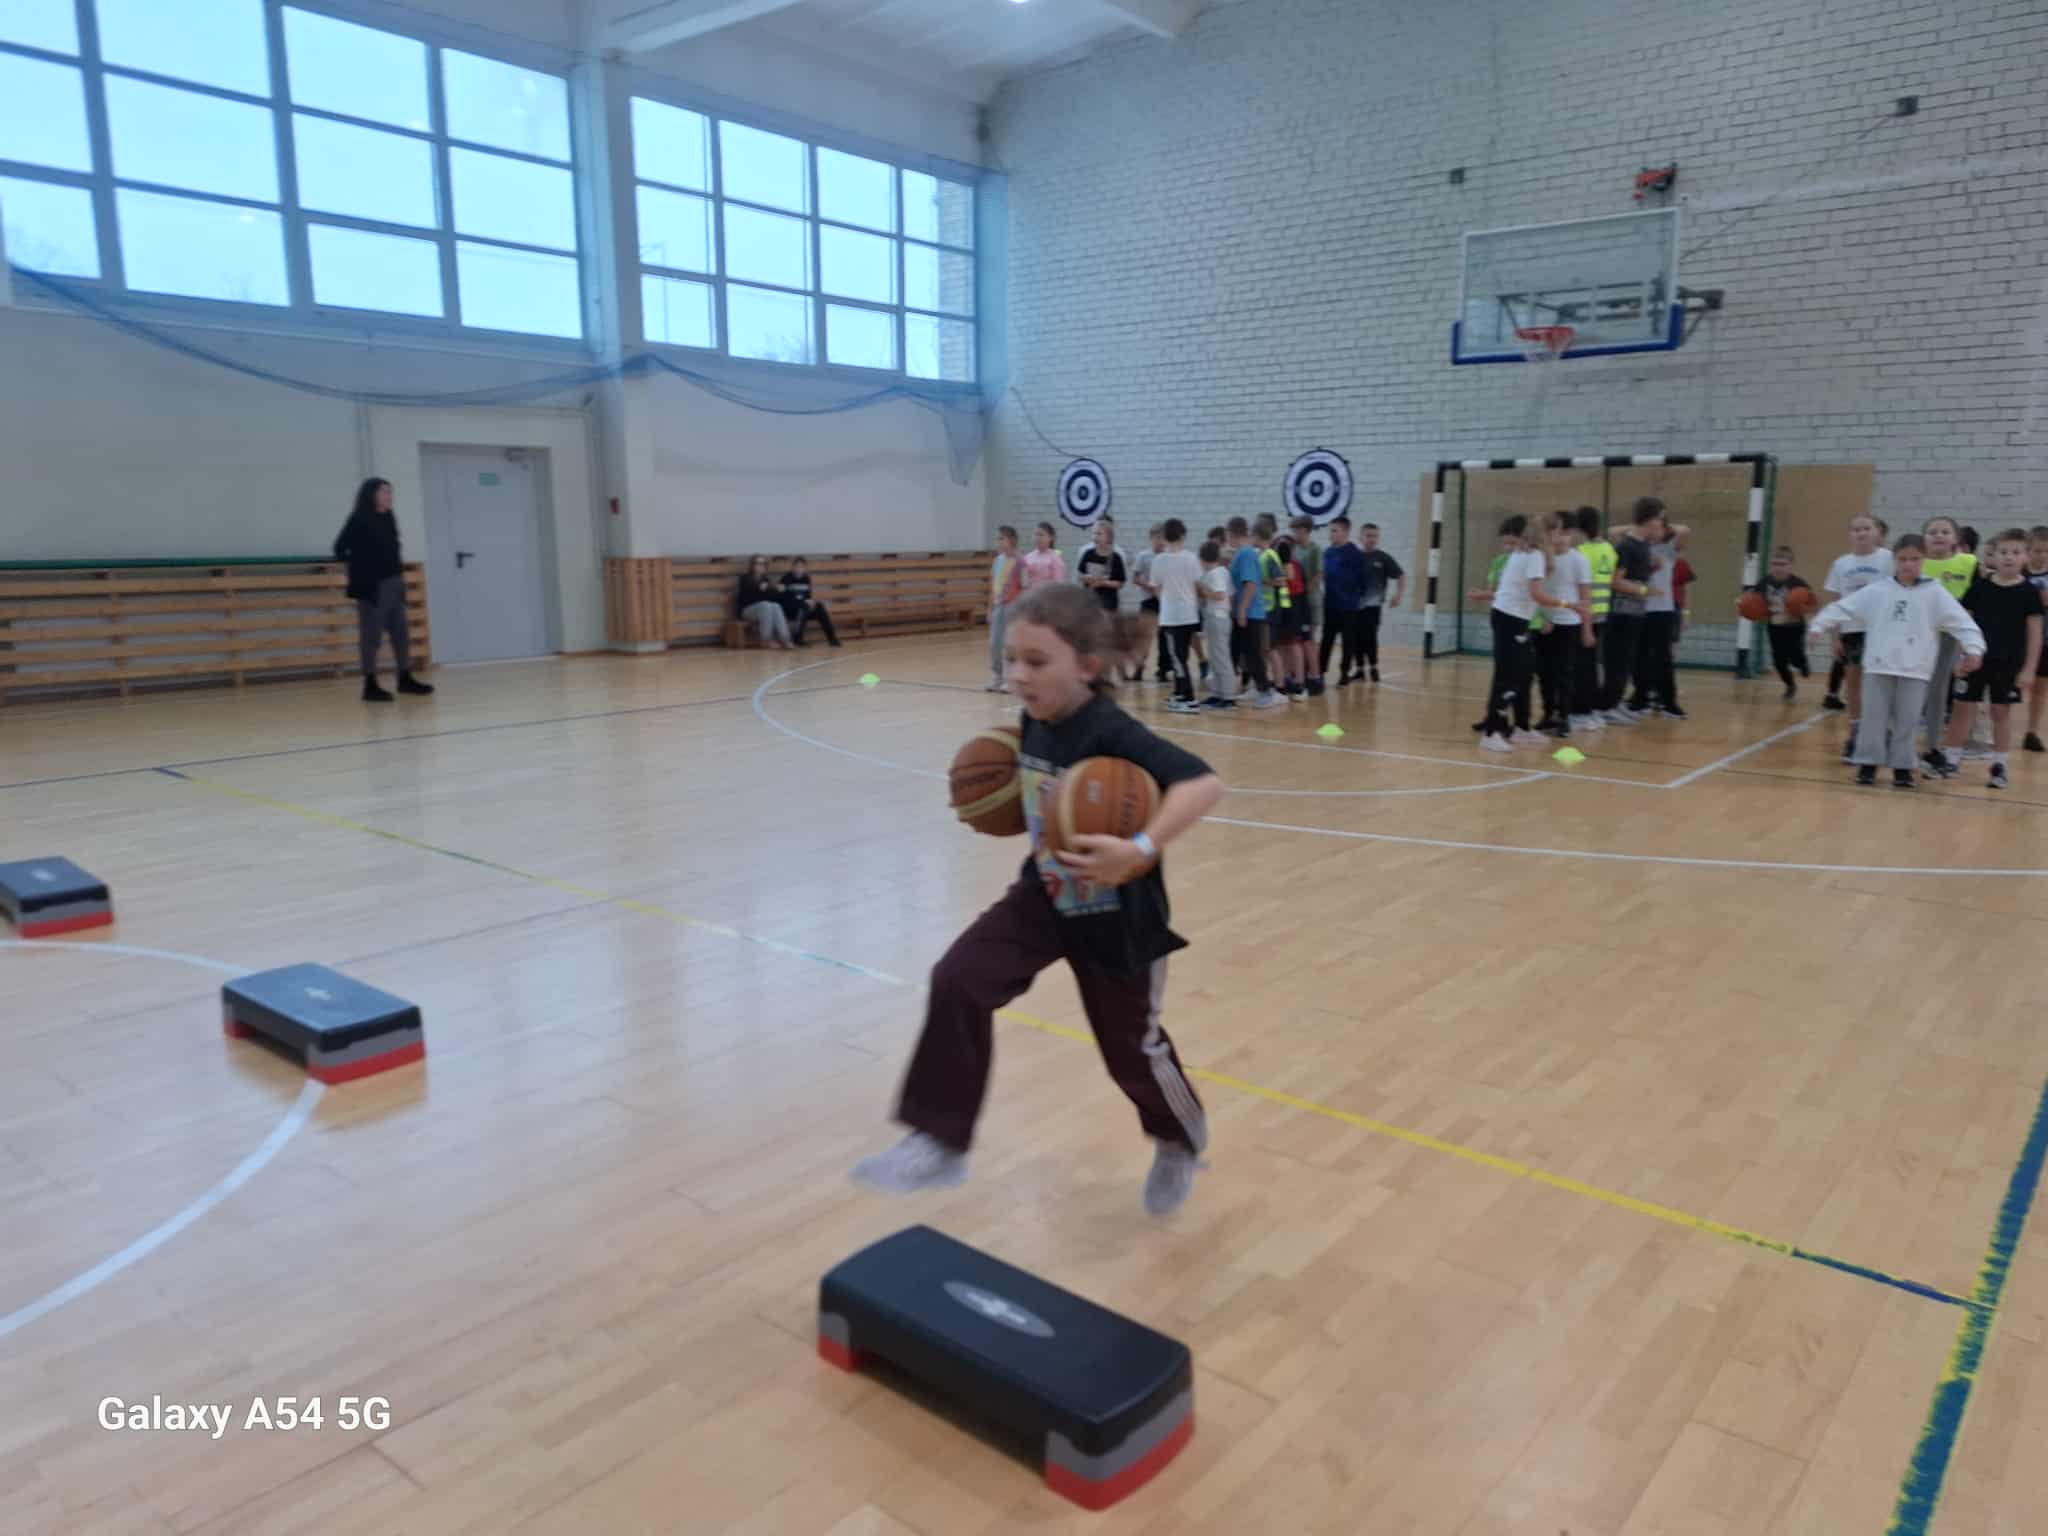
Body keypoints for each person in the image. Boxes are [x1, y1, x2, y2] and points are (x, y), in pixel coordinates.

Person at [851, 582, 1225, 1216]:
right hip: (1045, 896)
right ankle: (941, 1140)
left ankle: (1179, 1141)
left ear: (1087, 666)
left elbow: (1203, 784)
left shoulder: (1110, 728)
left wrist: (1138, 848)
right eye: (1011, 659)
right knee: (959, 979)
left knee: (1132, 1054)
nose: (1018, 674)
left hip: (1117, 917)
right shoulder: (1034, 719)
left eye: (1036, 661)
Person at [1809, 534, 1984, 788]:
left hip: (1916, 668)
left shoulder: (1935, 593)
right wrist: (1818, 625)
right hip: (1878, 665)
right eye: (1903, 559)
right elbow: (1843, 607)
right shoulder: (1878, 590)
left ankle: (1903, 767)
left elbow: (1963, 624)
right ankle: (1868, 764)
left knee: (1908, 720)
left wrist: (1974, 649)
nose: (1908, 564)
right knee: (1873, 718)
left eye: (1914, 559)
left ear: (1923, 560)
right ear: (1894, 560)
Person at [1933, 529, 2042, 789]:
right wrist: (1960, 657)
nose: (2008, 557)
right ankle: (1951, 760)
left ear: (2026, 557)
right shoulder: (1980, 587)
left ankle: (1999, 765)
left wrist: (2029, 668)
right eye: (2003, 552)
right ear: (1993, 556)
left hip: (2009, 664)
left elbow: (2035, 634)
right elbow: (1963, 624)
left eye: (2015, 552)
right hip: (1975, 659)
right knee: (1962, 709)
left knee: (2000, 712)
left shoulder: (2029, 592)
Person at [334, 476, 432, 703]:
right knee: (372, 637)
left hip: (394, 584)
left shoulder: (389, 517)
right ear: (372, 494)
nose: (389, 496)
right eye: (385, 491)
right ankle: (370, 685)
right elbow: (340, 548)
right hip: (373, 587)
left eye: (390, 492)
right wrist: (361, 569)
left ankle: (405, 679)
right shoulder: (359, 519)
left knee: (401, 634)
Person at [1820, 514, 1894, 759]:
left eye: (1866, 528)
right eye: (1856, 529)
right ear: (1850, 534)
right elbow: (1834, 601)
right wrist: (1835, 637)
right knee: (1854, 684)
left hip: (1881, 630)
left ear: (1878, 532)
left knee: (1881, 685)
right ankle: (1856, 733)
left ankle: (1882, 732)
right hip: (1852, 631)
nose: (1861, 533)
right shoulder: (1841, 564)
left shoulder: (1889, 559)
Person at [1479, 515, 1547, 750]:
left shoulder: (1526, 554)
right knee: (1507, 675)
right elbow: (1536, 594)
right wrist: (1570, 605)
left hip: (1515, 619)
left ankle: (1521, 729)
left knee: (1524, 672)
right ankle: (1491, 733)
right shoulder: (1532, 555)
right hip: (1509, 619)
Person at [1917, 515, 1978, 768]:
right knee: (1911, 690)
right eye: (1933, 532)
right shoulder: (1915, 562)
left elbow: (1976, 603)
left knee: (1937, 692)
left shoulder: (1969, 563)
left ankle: (1933, 747)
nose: (1939, 535)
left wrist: (1969, 645)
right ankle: (1898, 743)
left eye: (1945, 531)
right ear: (1923, 538)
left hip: (1949, 637)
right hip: (1916, 636)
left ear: (1956, 538)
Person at [1628, 498, 1691, 720]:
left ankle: (1668, 702)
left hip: (1662, 610)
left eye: (1660, 524)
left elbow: (1685, 530)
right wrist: (1641, 526)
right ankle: (1641, 698)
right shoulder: (1637, 546)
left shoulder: (1668, 548)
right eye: (1653, 522)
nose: (1656, 528)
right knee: (1640, 656)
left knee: (1663, 657)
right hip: (1639, 608)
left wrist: (1662, 525)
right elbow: (1612, 531)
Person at [1598, 501, 1659, 724]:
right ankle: (1606, 706)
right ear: (1650, 519)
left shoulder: (1644, 545)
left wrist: (1652, 569)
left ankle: (1615, 702)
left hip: (1635, 612)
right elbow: (1616, 581)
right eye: (1659, 518)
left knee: (1627, 662)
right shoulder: (1627, 546)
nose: (1660, 523)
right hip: (1621, 613)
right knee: (1617, 662)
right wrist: (1643, 590)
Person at [1229, 517, 1285, 708]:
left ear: (1231, 533)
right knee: (1245, 653)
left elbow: (1251, 584)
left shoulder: (1246, 554)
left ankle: (1267, 691)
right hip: (1245, 612)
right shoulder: (1243, 553)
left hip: (1251, 613)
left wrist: (1242, 610)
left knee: (1253, 654)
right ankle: (1257, 687)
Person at [1151, 519, 1204, 715]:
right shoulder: (1192, 558)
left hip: (1172, 616)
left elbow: (1156, 587)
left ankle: (1190, 699)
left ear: (1164, 537)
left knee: (1178, 659)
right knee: (1182, 656)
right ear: (1183, 535)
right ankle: (1180, 693)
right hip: (1189, 614)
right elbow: (1197, 585)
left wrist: (1166, 601)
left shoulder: (1159, 560)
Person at [1747, 547, 1813, 699]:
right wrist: (1745, 603)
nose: (1778, 568)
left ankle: (1802, 663)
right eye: (1775, 564)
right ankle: (1790, 685)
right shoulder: (1764, 582)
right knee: (1779, 661)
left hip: (1795, 626)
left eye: (1783, 564)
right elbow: (1753, 598)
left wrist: (1804, 608)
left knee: (1795, 656)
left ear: (1791, 565)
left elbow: (1813, 602)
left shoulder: (1798, 584)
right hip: (1775, 627)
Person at [1319, 517, 1365, 683]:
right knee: (1327, 639)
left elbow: (1362, 581)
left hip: (1348, 606)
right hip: (1330, 604)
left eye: (1334, 530)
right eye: (1330, 530)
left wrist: (1354, 597)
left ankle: (1344, 673)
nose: (1331, 534)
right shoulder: (1327, 553)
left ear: (1345, 532)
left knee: (1348, 641)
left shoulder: (1356, 555)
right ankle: (1320, 672)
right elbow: (1323, 576)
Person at [1197, 539, 1237, 708]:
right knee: (1215, 658)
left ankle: (1228, 697)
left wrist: (1203, 591)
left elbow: (1220, 595)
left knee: (1221, 658)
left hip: (1218, 618)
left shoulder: (1215, 573)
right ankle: (1217, 693)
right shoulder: (1221, 571)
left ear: (1203, 559)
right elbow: (1231, 594)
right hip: (1218, 617)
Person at [986, 526, 1022, 692]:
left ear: (1012, 540)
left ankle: (1010, 678)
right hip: (998, 606)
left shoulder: (1020, 562)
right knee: (994, 643)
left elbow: (1025, 587)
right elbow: (993, 586)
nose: (998, 542)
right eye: (997, 539)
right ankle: (997, 675)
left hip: (1013, 606)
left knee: (1009, 644)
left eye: (1002, 538)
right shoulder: (997, 561)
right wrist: (990, 607)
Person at [777, 556, 840, 648]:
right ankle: (798, 638)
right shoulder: (786, 578)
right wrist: (803, 602)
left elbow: (808, 597)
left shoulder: (806, 579)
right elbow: (785, 599)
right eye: (797, 566)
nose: (799, 569)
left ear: (805, 568)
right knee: (804, 607)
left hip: (803, 609)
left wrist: (811, 602)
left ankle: (832, 638)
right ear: (793, 567)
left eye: (801, 567)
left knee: (819, 607)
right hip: (790, 610)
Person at [735, 554, 793, 648]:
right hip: (746, 611)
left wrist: (777, 590)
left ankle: (785, 638)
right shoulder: (745, 578)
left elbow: (771, 598)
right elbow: (745, 598)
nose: (761, 566)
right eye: (758, 563)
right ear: (752, 565)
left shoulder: (765, 580)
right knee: (765, 605)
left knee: (776, 606)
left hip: (763, 610)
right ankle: (766, 639)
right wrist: (758, 589)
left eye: (763, 564)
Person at [2026, 525, 2048, 753]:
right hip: (2018, 639)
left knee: (2040, 688)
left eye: (2047, 551)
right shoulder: (2021, 573)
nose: (2042, 555)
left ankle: (2032, 732)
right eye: (2038, 551)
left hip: (2045, 639)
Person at [1021, 521, 1067, 591]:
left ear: (1051, 537)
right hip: (1029, 596)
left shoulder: (1055, 559)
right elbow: (1023, 582)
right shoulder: (1027, 557)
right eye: (1035, 534)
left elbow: (1059, 586)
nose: (1037, 538)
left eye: (1041, 535)